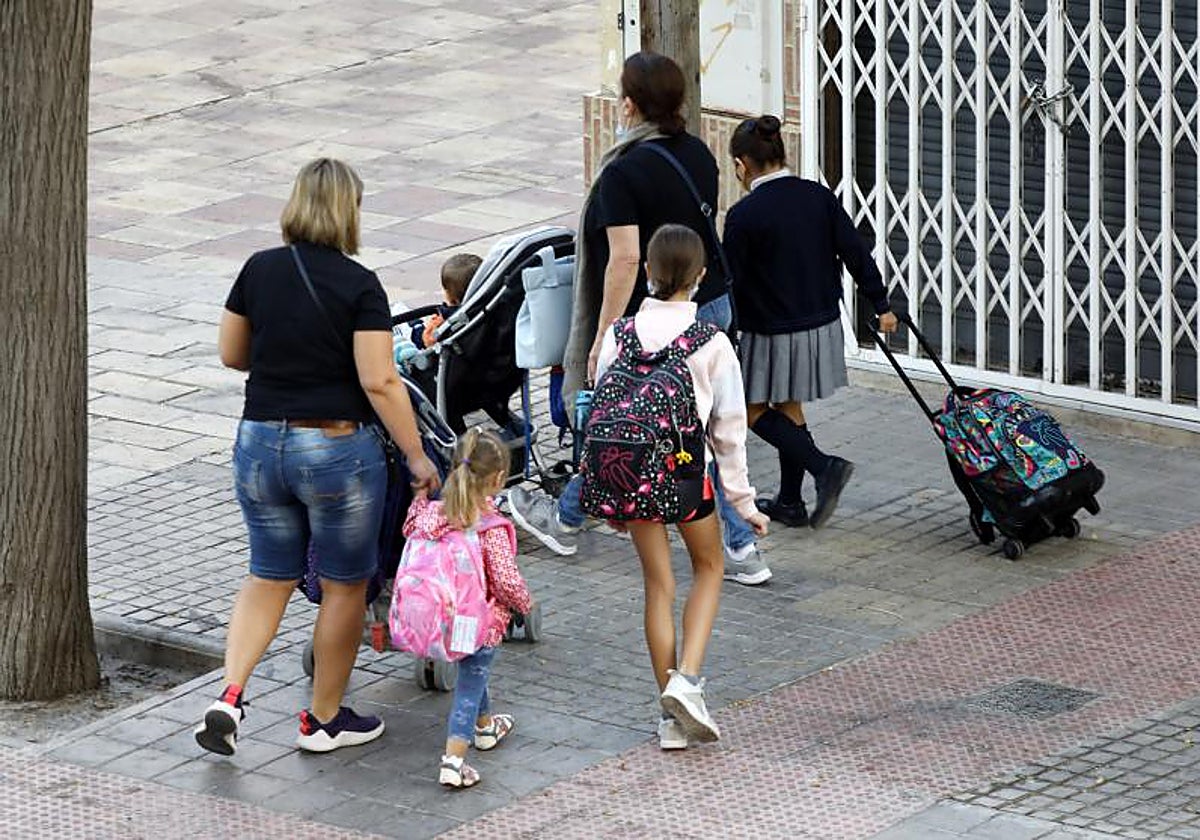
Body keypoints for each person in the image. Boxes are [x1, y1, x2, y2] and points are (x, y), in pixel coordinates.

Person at [197, 158, 440, 757]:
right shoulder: (360, 285)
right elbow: (381, 381)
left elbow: (232, 353)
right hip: (335, 449)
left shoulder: (259, 269)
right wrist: (417, 456)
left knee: (267, 575)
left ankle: (229, 696)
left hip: (258, 442)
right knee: (344, 586)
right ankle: (324, 719)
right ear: (348, 211)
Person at [509, 51, 771, 586]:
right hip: (712, 302)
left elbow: (625, 259)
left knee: (631, 428)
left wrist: (602, 335)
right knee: (686, 429)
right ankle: (737, 546)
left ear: (629, 104)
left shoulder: (622, 174)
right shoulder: (698, 152)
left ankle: (569, 519)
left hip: (657, 324)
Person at [584, 225, 768, 749]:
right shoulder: (711, 344)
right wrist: (744, 504)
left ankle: (668, 719)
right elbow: (729, 432)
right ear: (701, 278)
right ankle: (686, 681)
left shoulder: (619, 335)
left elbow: (605, 411)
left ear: (647, 271)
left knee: (657, 587)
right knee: (709, 568)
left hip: (632, 477)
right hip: (687, 478)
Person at [723, 116, 898, 528]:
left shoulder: (744, 215)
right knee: (789, 406)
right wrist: (881, 302)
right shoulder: (818, 196)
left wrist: (723, 334)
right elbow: (855, 251)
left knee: (747, 410)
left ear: (742, 164)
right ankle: (789, 501)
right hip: (821, 324)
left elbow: (734, 282)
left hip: (772, 328)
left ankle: (824, 467)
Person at [400, 429, 531, 788]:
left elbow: (410, 525)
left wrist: (419, 497)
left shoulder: (429, 515)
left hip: (437, 617)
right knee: (470, 683)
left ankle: (485, 727)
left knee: (472, 671)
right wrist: (523, 603)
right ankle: (454, 762)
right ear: (498, 479)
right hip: (479, 622)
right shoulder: (490, 527)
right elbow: (505, 581)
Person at [408, 252, 480, 349]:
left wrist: (418, 329)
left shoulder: (446, 318)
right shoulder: (489, 307)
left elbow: (427, 340)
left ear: (449, 295)